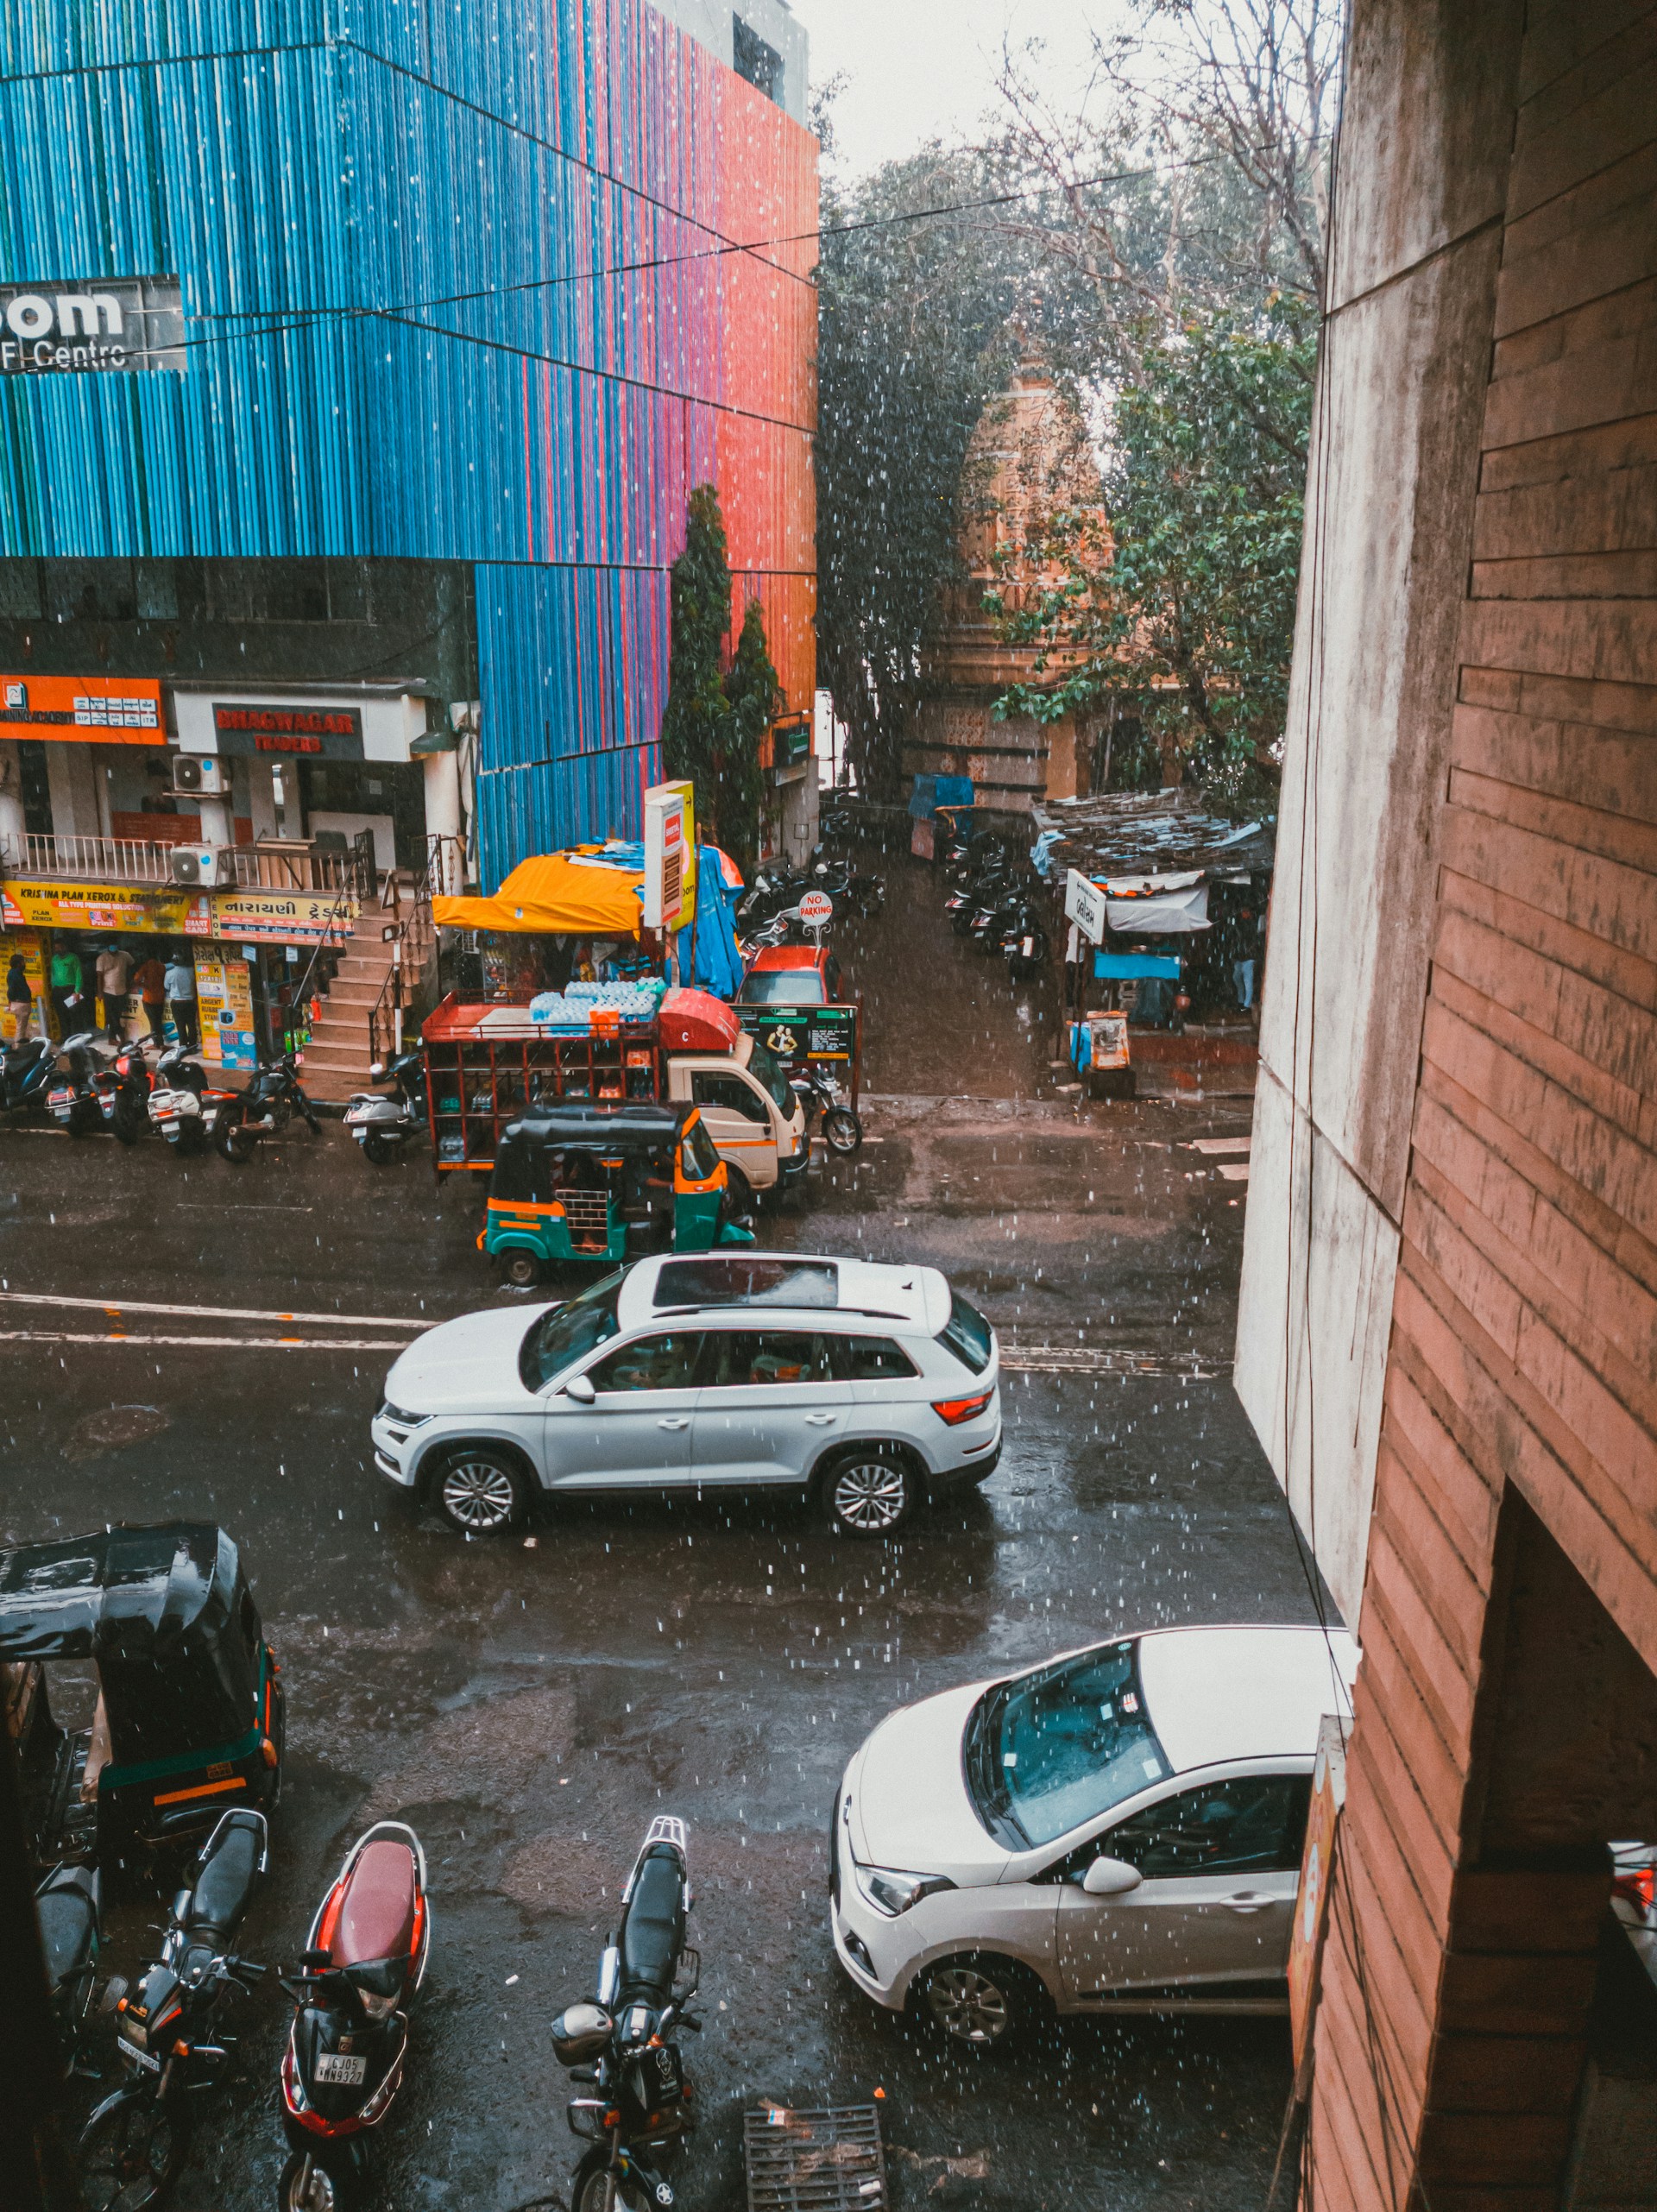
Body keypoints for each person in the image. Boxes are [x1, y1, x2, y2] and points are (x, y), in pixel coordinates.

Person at [48, 940, 87, 1040]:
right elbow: (53, 974)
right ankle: (65, 1037)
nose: (57, 950)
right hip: (58, 990)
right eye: (56, 948)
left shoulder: (73, 958)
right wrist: (53, 988)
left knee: (74, 1014)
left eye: (59, 947)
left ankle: (76, 1037)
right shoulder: (54, 959)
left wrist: (77, 991)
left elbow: (78, 975)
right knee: (61, 1014)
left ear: (64, 947)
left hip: (70, 990)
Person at [95, 940, 134, 1039]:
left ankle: (111, 1038)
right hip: (107, 991)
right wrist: (100, 993)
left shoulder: (125, 955)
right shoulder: (102, 958)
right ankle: (121, 1035)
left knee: (117, 1015)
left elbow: (132, 966)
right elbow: (99, 976)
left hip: (122, 990)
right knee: (111, 1016)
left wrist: (130, 982)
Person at [164, 946, 199, 1050]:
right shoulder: (192, 971)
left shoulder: (170, 973)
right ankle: (193, 1045)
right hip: (190, 1002)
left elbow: (166, 987)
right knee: (191, 1024)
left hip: (177, 1003)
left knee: (180, 1025)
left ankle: (183, 1046)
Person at [131, 948, 167, 1045]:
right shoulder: (162, 966)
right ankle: (160, 1042)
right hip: (160, 997)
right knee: (158, 1021)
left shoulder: (146, 966)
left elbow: (136, 979)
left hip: (149, 998)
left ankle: (158, 1043)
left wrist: (144, 986)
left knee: (153, 1022)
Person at [6, 950, 32, 1043]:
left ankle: (20, 1048)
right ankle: (18, 1049)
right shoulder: (15, 974)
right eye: (23, 962)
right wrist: (12, 1000)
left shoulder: (15, 973)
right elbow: (12, 990)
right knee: (20, 1029)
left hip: (20, 1003)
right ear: (18, 963)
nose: (24, 964)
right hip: (20, 1003)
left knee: (22, 1028)